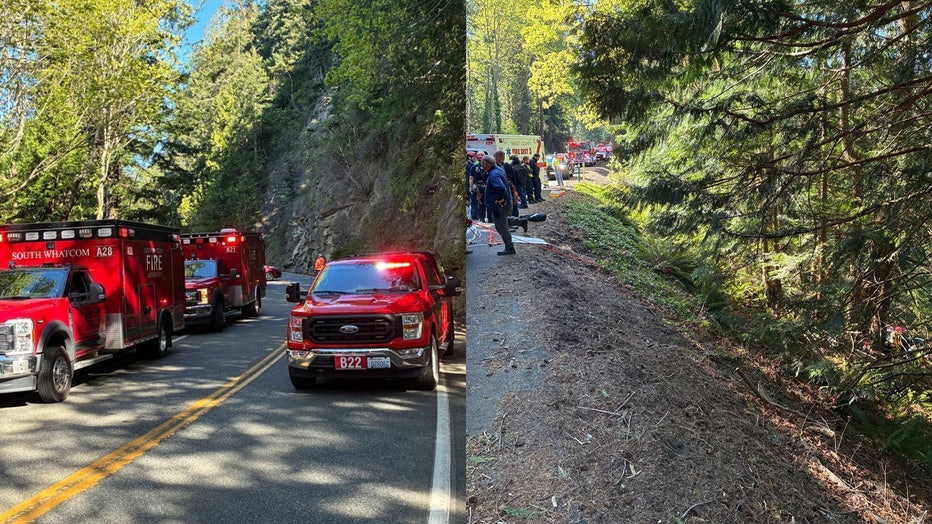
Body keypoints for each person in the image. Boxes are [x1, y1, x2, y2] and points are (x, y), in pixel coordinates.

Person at [481, 155, 515, 255]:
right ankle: (519, 222)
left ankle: (509, 248)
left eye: (482, 163)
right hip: (505, 202)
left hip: (500, 205)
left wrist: (495, 200)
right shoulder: (498, 169)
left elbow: (500, 188)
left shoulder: (493, 174)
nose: (481, 166)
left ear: (486, 164)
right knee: (503, 222)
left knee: (501, 226)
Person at [494, 151, 519, 217]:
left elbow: (511, 177)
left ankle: (514, 217)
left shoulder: (505, 166)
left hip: (508, 185)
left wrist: (514, 187)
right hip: (504, 186)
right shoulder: (498, 166)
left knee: (512, 202)